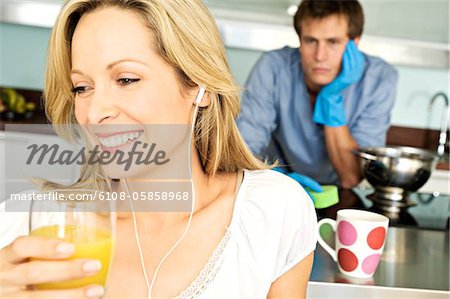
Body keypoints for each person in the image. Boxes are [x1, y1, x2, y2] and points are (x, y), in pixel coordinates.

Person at [0, 1, 317, 298]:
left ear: (199, 85)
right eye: (82, 87)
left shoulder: (273, 212)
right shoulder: (28, 229)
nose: (94, 112)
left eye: (126, 79)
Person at [237, 0, 398, 192]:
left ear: (354, 43)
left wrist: (330, 98)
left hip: (338, 195)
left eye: (333, 42)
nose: (320, 55)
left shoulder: (379, 79)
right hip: (273, 187)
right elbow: (242, 152)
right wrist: (275, 179)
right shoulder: (273, 67)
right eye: (311, 40)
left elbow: (351, 177)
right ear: (300, 40)